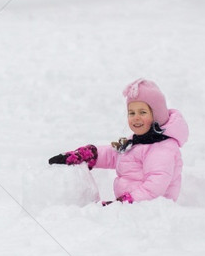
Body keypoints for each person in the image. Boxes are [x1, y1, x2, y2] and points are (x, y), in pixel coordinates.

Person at [48, 78, 189, 205]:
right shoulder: (138, 141)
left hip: (152, 211)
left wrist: (125, 202)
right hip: (131, 207)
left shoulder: (162, 148)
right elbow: (115, 155)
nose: (136, 118)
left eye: (143, 112)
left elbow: (155, 186)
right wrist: (88, 154)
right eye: (132, 113)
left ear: (156, 116)